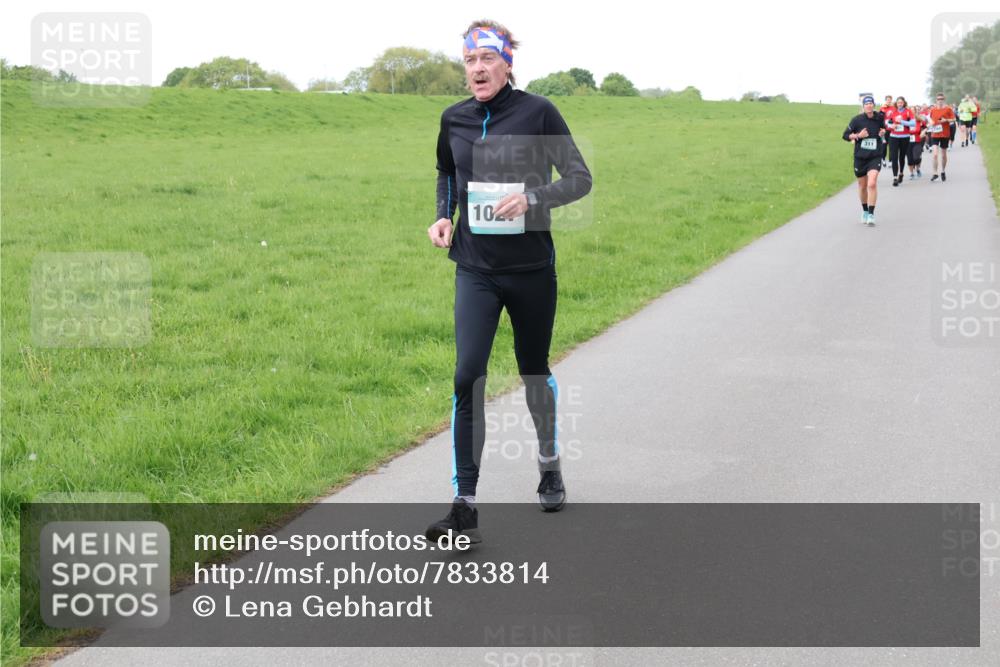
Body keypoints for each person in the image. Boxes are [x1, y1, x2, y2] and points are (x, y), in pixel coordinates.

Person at [425, 19, 592, 543]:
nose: (477, 69)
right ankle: (464, 503)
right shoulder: (453, 118)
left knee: (532, 370)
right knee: (466, 375)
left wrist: (533, 198)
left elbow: (580, 179)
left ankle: (548, 462)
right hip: (474, 268)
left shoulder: (538, 112)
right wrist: (444, 215)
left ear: (507, 64)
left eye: (486, 60)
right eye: (469, 61)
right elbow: (447, 173)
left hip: (530, 270)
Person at [843, 95, 886, 226]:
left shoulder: (879, 117)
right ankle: (865, 211)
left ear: (874, 105)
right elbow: (845, 136)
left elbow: (883, 129)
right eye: (866, 104)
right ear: (863, 106)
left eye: (871, 103)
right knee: (862, 186)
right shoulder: (856, 120)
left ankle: (871, 215)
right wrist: (858, 136)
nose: (869, 105)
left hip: (875, 155)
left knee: (871, 183)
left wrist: (882, 132)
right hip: (860, 157)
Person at [884, 96, 915, 187]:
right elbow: (887, 122)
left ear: (904, 103)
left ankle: (901, 172)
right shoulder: (893, 111)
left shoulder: (908, 111)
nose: (900, 104)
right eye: (898, 103)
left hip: (905, 137)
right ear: (896, 104)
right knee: (894, 157)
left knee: (901, 157)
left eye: (901, 102)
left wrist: (902, 122)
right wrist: (891, 126)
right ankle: (895, 177)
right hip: (893, 137)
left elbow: (913, 123)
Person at [928, 93, 956, 182]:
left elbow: (954, 119)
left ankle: (943, 171)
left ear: (944, 99)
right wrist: (930, 124)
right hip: (935, 134)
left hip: (945, 134)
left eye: (941, 99)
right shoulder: (933, 110)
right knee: (935, 154)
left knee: (943, 155)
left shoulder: (948, 109)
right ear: (936, 100)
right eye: (938, 99)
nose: (940, 100)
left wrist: (946, 120)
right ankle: (935, 173)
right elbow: (931, 120)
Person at [908, 105, 925, 179]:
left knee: (917, 157)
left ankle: (918, 169)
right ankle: (911, 173)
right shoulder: (906, 120)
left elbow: (926, 127)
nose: (912, 111)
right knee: (910, 159)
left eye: (913, 110)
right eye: (910, 110)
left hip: (917, 139)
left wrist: (923, 133)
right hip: (907, 141)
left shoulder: (919, 119)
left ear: (915, 111)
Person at [880, 95, 894, 166]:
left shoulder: (894, 108)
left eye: (890, 99)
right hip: (884, 129)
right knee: (884, 145)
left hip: (892, 129)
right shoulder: (883, 108)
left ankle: (890, 161)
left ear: (891, 100)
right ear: (885, 100)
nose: (889, 101)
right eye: (887, 99)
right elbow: (880, 117)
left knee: (891, 145)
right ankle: (883, 159)